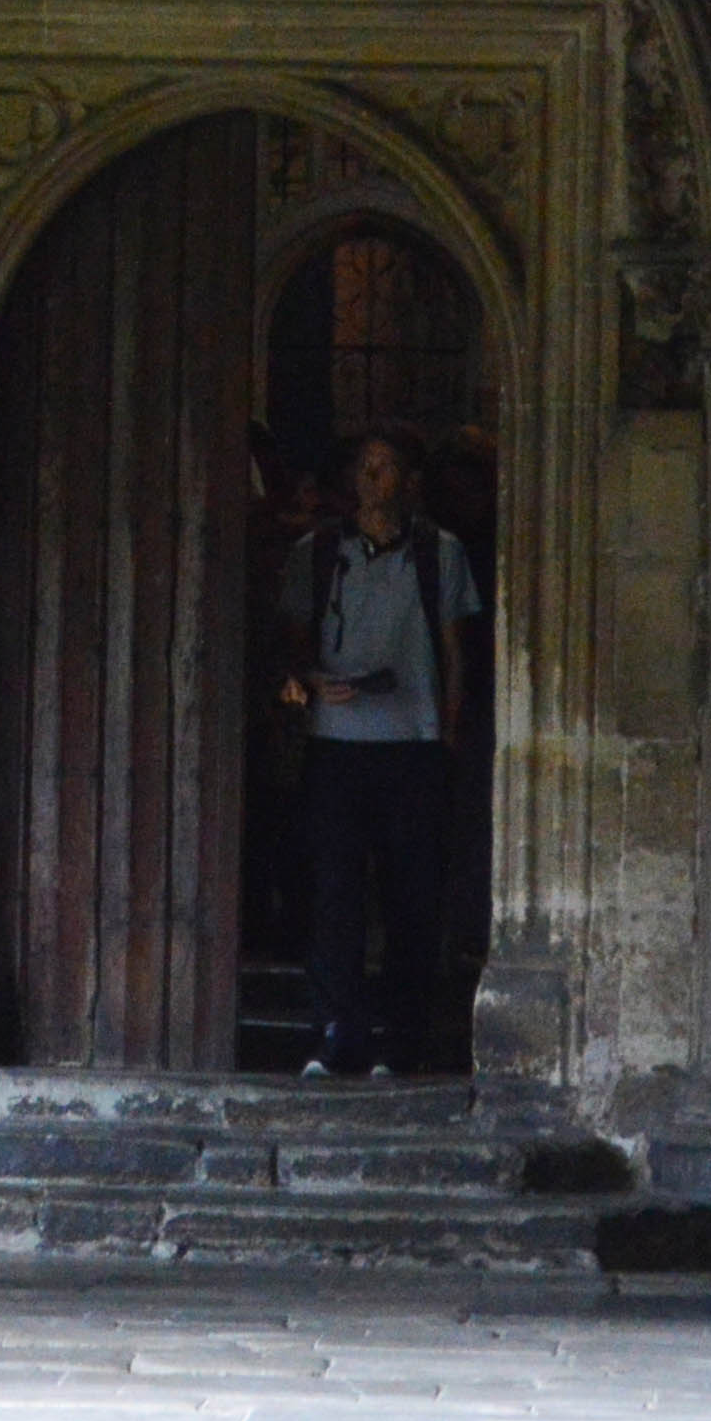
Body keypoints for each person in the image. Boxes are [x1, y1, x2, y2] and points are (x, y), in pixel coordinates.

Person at [275, 429, 484, 1076]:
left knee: (410, 898)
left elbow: (455, 648)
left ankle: (404, 1034)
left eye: (388, 467)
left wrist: (447, 728)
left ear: (408, 481)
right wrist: (308, 683)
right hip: (336, 746)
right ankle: (338, 1028)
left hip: (411, 746)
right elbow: (291, 643)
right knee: (334, 892)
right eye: (365, 468)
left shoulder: (438, 554)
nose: (375, 480)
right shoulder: (315, 554)